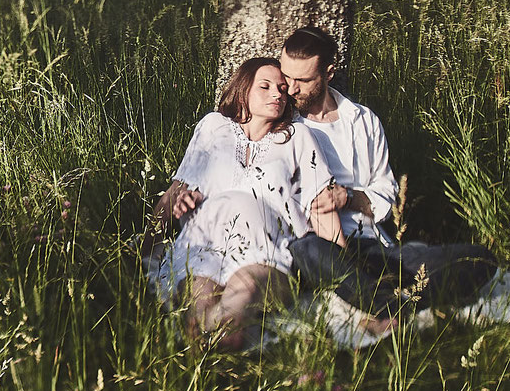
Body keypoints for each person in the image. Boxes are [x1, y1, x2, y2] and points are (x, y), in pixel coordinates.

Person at [279, 26, 499, 318]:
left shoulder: (362, 120)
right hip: (320, 248)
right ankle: (388, 304)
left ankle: (384, 299)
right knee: (308, 249)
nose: (291, 89)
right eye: (287, 77)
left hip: (373, 247)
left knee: (479, 260)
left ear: (329, 73)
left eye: (303, 80)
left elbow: (386, 193)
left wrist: (349, 197)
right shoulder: (281, 124)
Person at [146, 58, 356, 350]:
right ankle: (207, 341)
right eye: (266, 86)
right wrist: (148, 244)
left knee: (243, 293)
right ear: (243, 88)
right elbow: (178, 187)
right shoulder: (213, 127)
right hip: (203, 244)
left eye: (283, 89)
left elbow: (320, 204)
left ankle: (216, 335)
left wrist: (345, 272)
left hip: (264, 250)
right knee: (199, 292)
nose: (278, 94)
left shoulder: (297, 137)